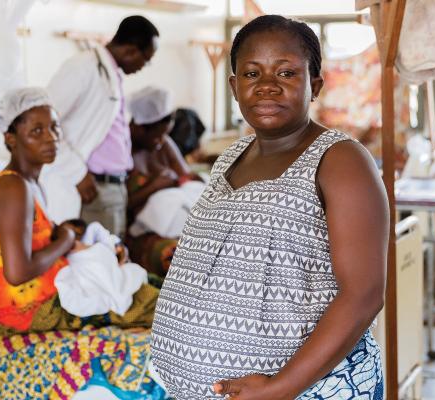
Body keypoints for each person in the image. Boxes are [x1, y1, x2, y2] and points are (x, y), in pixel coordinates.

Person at [150, 15, 389, 400]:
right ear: (234, 86)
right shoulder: (230, 157)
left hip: (306, 391)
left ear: (315, 85)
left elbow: (364, 294)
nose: (266, 86)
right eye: (251, 74)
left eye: (286, 72)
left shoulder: (341, 160)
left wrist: (281, 387)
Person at [0, 87, 157, 333]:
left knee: (136, 283)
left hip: (13, 300)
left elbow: (32, 234)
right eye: (37, 131)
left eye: (54, 127)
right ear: (10, 139)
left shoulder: (27, 183)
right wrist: (66, 240)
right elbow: (17, 273)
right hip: (16, 312)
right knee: (149, 302)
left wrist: (82, 239)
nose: (51, 137)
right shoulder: (13, 188)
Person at [41, 15, 160, 239]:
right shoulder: (83, 67)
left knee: (111, 261)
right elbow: (45, 122)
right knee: (97, 262)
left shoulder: (111, 73)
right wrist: (77, 172)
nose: (144, 67)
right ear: (131, 51)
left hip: (111, 188)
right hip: (91, 187)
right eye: (146, 60)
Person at [125, 86, 202, 276]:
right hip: (141, 231)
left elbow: (186, 178)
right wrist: (154, 186)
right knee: (181, 257)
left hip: (180, 220)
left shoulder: (164, 143)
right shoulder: (121, 151)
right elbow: (119, 205)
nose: (161, 141)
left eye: (165, 134)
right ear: (139, 128)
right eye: (157, 135)